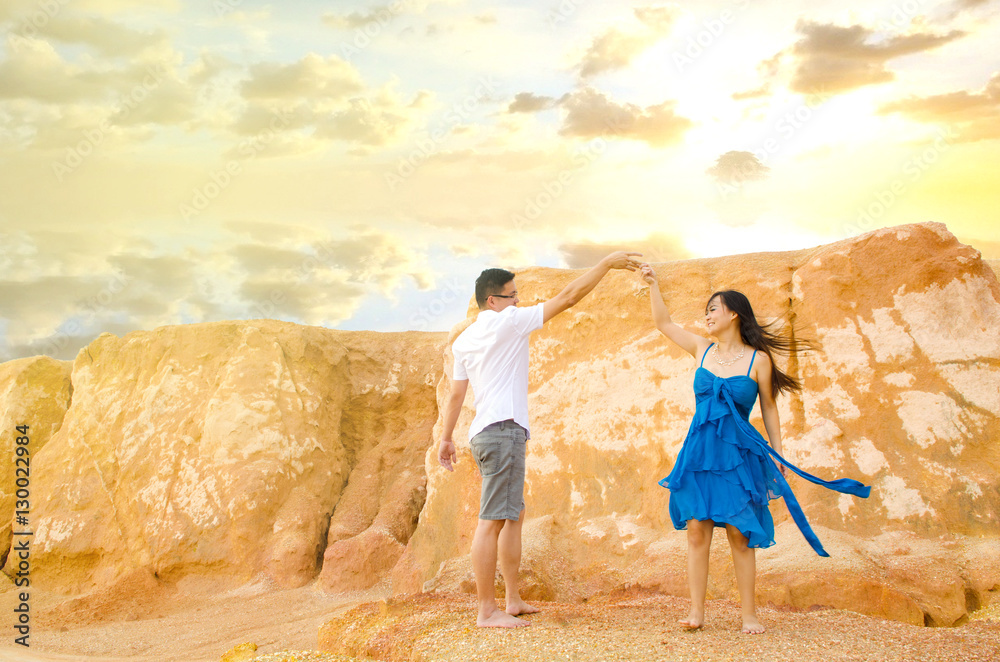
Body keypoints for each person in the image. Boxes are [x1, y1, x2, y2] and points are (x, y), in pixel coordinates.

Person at [638, 264, 870, 634]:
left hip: (739, 456)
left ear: (733, 313)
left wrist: (778, 456)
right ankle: (696, 613)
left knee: (739, 533)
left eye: (713, 309)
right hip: (699, 454)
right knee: (696, 530)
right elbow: (663, 323)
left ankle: (749, 615)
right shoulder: (701, 349)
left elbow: (769, 408)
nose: (707, 316)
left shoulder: (758, 360)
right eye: (706, 311)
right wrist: (653, 285)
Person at [438, 251, 642, 628]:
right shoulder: (510, 321)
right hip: (504, 431)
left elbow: (455, 395)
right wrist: (606, 263)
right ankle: (486, 610)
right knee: (492, 520)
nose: (518, 301)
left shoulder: (464, 340)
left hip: (484, 433)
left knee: (513, 515)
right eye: (512, 295)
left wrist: (446, 438)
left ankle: (512, 599)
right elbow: (568, 298)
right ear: (493, 301)